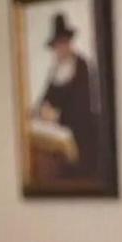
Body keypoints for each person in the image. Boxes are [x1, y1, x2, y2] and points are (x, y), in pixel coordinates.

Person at [37, 12, 98, 178]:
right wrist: (42, 110)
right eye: (57, 45)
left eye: (63, 43)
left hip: (82, 136)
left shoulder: (82, 66)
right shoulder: (55, 70)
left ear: (69, 42)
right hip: (60, 137)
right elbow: (44, 100)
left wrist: (57, 116)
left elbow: (82, 105)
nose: (60, 48)